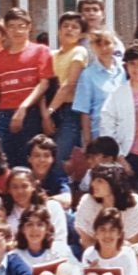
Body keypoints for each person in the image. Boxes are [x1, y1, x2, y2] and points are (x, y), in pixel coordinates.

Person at [0, 6, 55, 169]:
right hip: (4, 115)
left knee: (29, 160)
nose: (17, 31)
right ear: (6, 29)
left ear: (29, 27)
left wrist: (23, 108)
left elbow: (44, 84)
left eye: (21, 26)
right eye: (12, 27)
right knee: (3, 162)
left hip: (30, 113)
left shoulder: (40, 51)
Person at [42, 11, 90, 166]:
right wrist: (46, 113)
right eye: (65, 26)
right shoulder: (51, 55)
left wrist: (48, 113)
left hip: (70, 111)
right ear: (59, 30)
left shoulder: (79, 51)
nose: (69, 29)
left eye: (75, 27)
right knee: (45, 156)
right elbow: (44, 85)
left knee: (59, 158)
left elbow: (69, 85)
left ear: (81, 33)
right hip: (50, 109)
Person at [73, 161, 138, 248]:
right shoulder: (88, 201)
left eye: (100, 181)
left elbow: (134, 242)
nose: (93, 184)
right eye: (93, 180)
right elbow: (86, 241)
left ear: (114, 183)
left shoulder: (134, 201)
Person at [74, 28, 127, 150]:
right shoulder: (87, 74)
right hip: (99, 135)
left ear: (114, 44)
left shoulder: (123, 70)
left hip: (122, 135)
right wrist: (88, 142)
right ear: (92, 47)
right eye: (98, 44)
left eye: (107, 43)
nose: (103, 48)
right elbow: (84, 111)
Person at [112, 43, 138, 183]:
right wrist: (120, 158)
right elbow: (108, 127)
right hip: (128, 154)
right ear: (126, 66)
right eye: (132, 64)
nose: (136, 68)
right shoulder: (118, 94)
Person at [6, 166, 72, 250]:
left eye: (24, 186)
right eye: (15, 187)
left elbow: (60, 240)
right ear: (9, 189)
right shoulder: (6, 212)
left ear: (33, 186)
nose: (20, 191)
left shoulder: (52, 207)